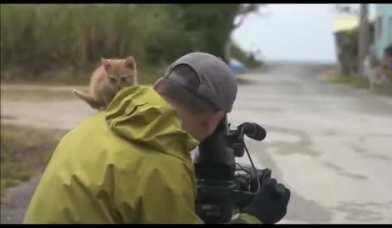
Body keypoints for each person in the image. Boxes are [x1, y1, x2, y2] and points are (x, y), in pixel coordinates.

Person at [23, 52, 290, 224]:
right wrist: (255, 218)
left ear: (160, 87)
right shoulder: (161, 167)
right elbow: (149, 179)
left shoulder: (91, 128)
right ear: (214, 119)